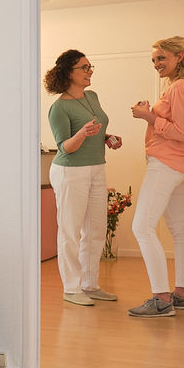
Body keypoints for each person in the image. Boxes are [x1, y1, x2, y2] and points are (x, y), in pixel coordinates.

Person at [128, 36, 184, 317]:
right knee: (180, 229)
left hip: (166, 164)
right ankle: (183, 296)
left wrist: (148, 116)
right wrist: (151, 111)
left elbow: (182, 132)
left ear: (179, 57)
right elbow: (176, 125)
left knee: (142, 227)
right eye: (153, 60)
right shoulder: (179, 87)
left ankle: (161, 300)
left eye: (161, 58)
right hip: (175, 164)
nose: (156, 64)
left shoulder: (181, 87)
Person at [44, 49, 123, 306]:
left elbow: (95, 130)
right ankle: (71, 288)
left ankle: (90, 284)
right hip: (70, 171)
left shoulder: (92, 96)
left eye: (90, 67)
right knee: (70, 231)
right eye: (84, 68)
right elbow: (65, 147)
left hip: (96, 168)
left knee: (96, 229)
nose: (90, 72)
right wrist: (82, 134)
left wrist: (107, 137)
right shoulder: (59, 108)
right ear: (69, 72)